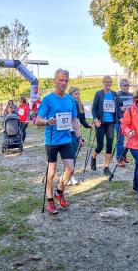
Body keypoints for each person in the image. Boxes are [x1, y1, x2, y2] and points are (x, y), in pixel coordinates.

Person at [36, 69, 82, 214]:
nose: (63, 83)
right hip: (52, 140)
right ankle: (50, 201)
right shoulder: (48, 99)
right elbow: (37, 120)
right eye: (60, 80)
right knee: (51, 172)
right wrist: (46, 121)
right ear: (55, 80)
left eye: (66, 80)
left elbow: (74, 119)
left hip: (66, 139)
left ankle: (59, 192)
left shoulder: (70, 100)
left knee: (70, 169)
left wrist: (79, 136)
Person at [91, 76, 121, 176]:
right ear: (103, 83)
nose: (108, 84)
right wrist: (95, 120)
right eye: (107, 82)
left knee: (110, 144)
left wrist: (120, 117)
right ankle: (94, 157)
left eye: (110, 82)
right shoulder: (99, 94)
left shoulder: (114, 94)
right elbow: (94, 109)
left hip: (111, 122)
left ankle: (106, 167)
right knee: (100, 146)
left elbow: (118, 107)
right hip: (100, 122)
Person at [67, 87, 91, 186]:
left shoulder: (80, 105)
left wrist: (89, 125)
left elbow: (83, 120)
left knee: (73, 155)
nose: (78, 96)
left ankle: (70, 175)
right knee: (68, 156)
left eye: (78, 94)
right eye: (75, 94)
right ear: (70, 95)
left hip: (75, 132)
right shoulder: (67, 104)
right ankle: (67, 176)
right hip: (66, 132)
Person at [115, 79, 134, 166]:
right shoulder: (117, 95)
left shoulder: (131, 95)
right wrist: (120, 108)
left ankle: (124, 154)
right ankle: (119, 159)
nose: (127, 87)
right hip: (120, 121)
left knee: (129, 139)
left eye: (128, 85)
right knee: (120, 140)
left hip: (130, 121)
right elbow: (113, 108)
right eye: (125, 85)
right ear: (121, 86)